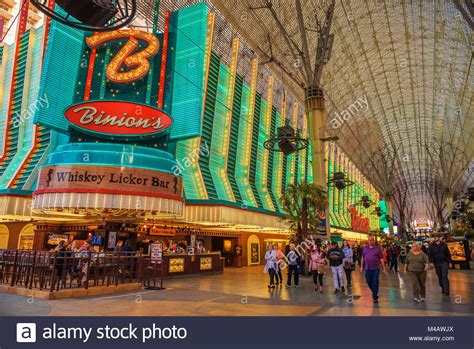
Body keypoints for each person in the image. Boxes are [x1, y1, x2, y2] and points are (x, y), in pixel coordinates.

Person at [360, 235, 387, 303]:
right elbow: (363, 257)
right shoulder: (365, 248)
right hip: (367, 268)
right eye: (369, 240)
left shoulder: (378, 248)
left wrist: (384, 268)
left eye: (372, 240)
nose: (370, 241)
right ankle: (374, 292)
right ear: (368, 241)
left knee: (375, 282)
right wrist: (361, 267)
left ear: (374, 241)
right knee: (368, 281)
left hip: (376, 268)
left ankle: (374, 296)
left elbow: (381, 259)